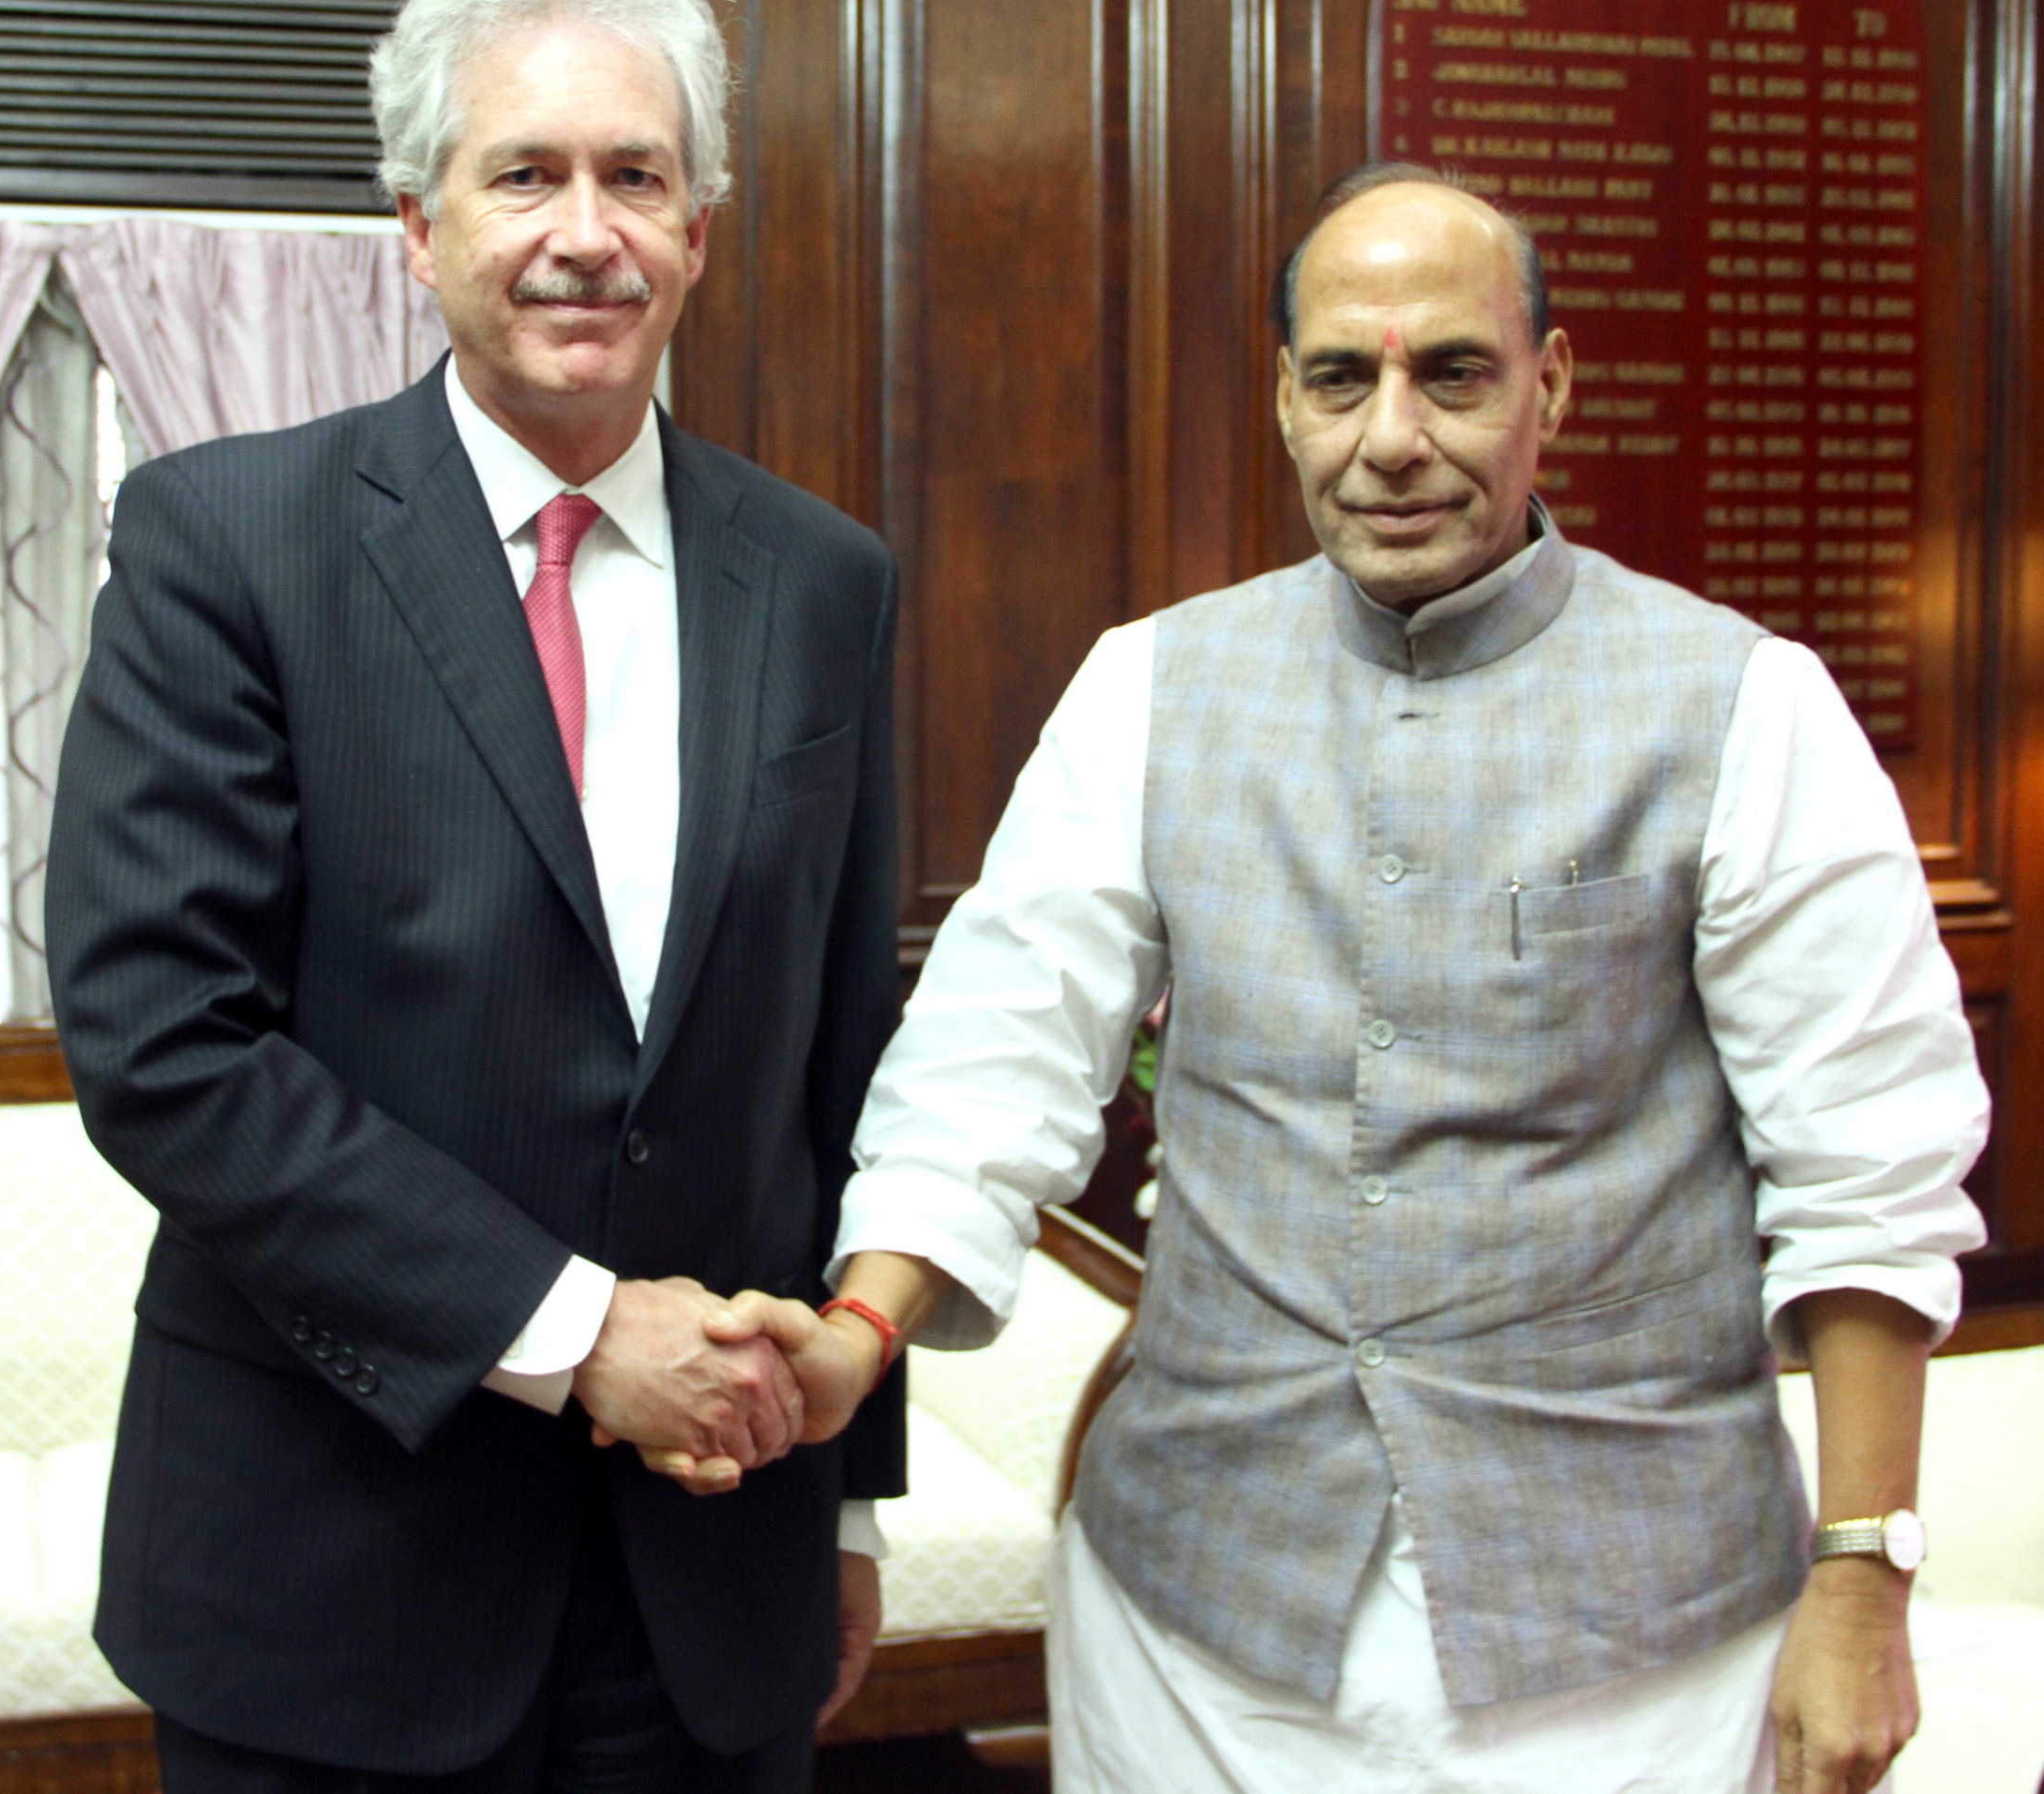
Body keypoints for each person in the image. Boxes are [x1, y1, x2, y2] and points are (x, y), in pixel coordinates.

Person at [716, 165, 1989, 1794]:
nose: (1392, 436)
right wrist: (856, 1330)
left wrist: (1861, 1580)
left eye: (1452, 372)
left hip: (1635, 1653)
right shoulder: (1150, 688)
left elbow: (1869, 1168)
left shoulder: (1749, 706)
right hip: (1196, 1633)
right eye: (1343, 377)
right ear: (1286, 399)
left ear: (1553, 386)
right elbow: (989, 1063)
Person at [44, 0, 902, 1794]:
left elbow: (839, 1069)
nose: (581, 229)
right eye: (522, 173)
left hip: (710, 1576)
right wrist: (578, 1326)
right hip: (330, 1561)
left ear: (697, 231)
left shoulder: (824, 582)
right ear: (418, 230)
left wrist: (841, 1492)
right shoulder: (223, 540)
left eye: (634, 176)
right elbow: (162, 1039)